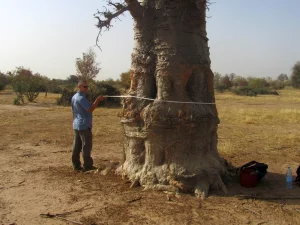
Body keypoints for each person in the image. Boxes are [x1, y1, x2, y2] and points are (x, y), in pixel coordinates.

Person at [71, 80, 105, 171]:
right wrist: (97, 100)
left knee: (77, 145)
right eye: (84, 87)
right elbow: (90, 109)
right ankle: (88, 166)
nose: (86, 89)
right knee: (86, 145)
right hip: (84, 125)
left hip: (76, 124)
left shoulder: (74, 97)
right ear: (79, 87)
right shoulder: (81, 98)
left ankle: (76, 165)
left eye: (87, 87)